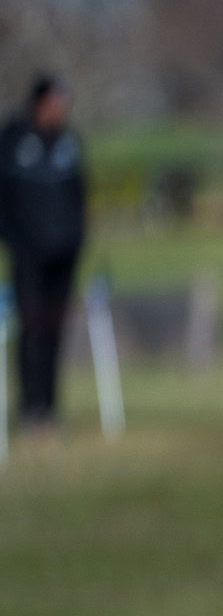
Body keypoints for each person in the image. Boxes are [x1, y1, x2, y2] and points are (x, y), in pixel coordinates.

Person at [0, 75, 87, 433]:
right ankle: (30, 409)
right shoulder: (13, 140)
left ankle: (50, 409)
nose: (59, 111)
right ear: (38, 104)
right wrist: (14, 240)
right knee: (31, 330)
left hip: (63, 257)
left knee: (54, 331)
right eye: (54, 104)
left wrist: (76, 240)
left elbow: (79, 196)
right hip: (28, 257)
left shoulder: (68, 142)